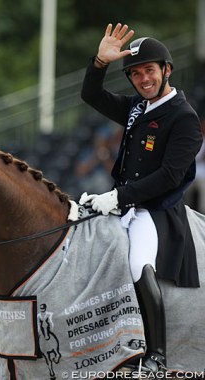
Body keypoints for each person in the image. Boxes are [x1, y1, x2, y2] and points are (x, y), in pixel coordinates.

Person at [79, 24, 203, 373]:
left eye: (149, 70)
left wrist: (118, 197)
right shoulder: (138, 107)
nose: (143, 79)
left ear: (166, 70)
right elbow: (92, 95)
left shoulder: (184, 118)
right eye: (135, 74)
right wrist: (99, 64)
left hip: (157, 210)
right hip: (125, 202)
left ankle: (157, 355)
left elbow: (169, 177)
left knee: (137, 264)